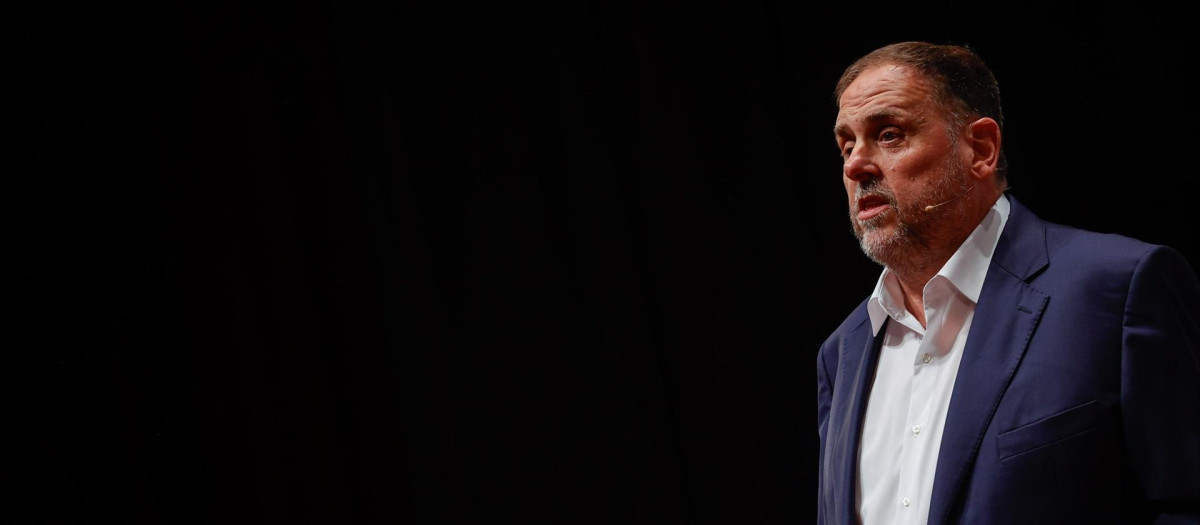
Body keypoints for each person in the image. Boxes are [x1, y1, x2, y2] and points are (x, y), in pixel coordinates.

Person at [815, 42, 1200, 525]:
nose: (855, 166)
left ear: (980, 148)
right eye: (846, 145)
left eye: (889, 134)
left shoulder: (1118, 290)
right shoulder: (842, 354)